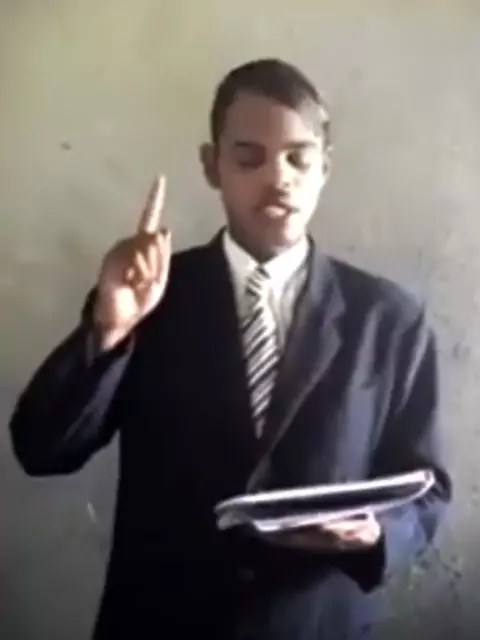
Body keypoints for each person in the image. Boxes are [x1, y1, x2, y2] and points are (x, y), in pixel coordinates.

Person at [9, 58, 451, 640]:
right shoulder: (151, 296)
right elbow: (42, 450)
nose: (278, 178)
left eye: (298, 158)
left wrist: (376, 533)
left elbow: (428, 489)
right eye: (249, 158)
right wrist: (110, 329)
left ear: (325, 167)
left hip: (313, 624)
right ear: (211, 165)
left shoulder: (389, 319)